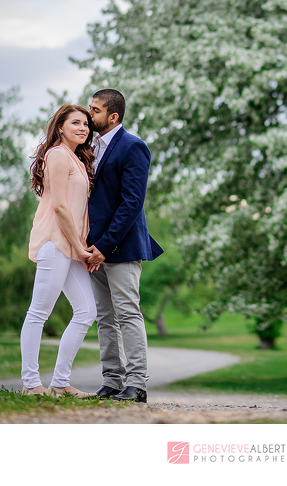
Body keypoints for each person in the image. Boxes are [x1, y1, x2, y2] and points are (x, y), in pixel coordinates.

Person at [85, 89, 163, 403]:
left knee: (128, 313)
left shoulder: (133, 146)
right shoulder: (89, 147)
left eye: (95, 110)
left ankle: (137, 384)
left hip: (122, 247)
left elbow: (131, 203)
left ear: (113, 116)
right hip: (92, 250)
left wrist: (104, 246)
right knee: (104, 317)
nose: (90, 114)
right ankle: (112, 380)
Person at [21, 104, 98, 397]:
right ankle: (31, 384)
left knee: (87, 311)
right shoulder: (57, 154)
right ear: (61, 127)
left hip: (72, 247)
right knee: (39, 313)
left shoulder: (76, 158)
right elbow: (60, 207)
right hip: (55, 243)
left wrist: (80, 246)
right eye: (75, 122)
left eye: (86, 124)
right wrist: (80, 247)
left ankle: (60, 383)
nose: (83, 128)